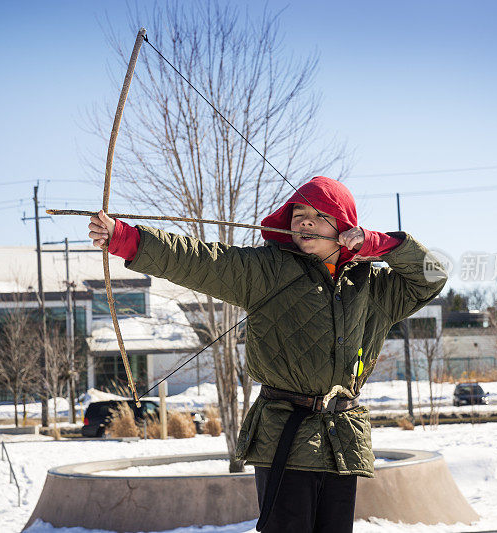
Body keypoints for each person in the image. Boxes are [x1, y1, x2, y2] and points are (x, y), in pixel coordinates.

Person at [88, 176, 448, 533]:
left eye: (319, 214)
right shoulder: (267, 269)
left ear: (345, 227)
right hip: (284, 437)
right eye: (298, 214)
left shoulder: (371, 286)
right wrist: (125, 238)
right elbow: (198, 261)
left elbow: (432, 276)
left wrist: (383, 245)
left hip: (343, 438)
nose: (305, 220)